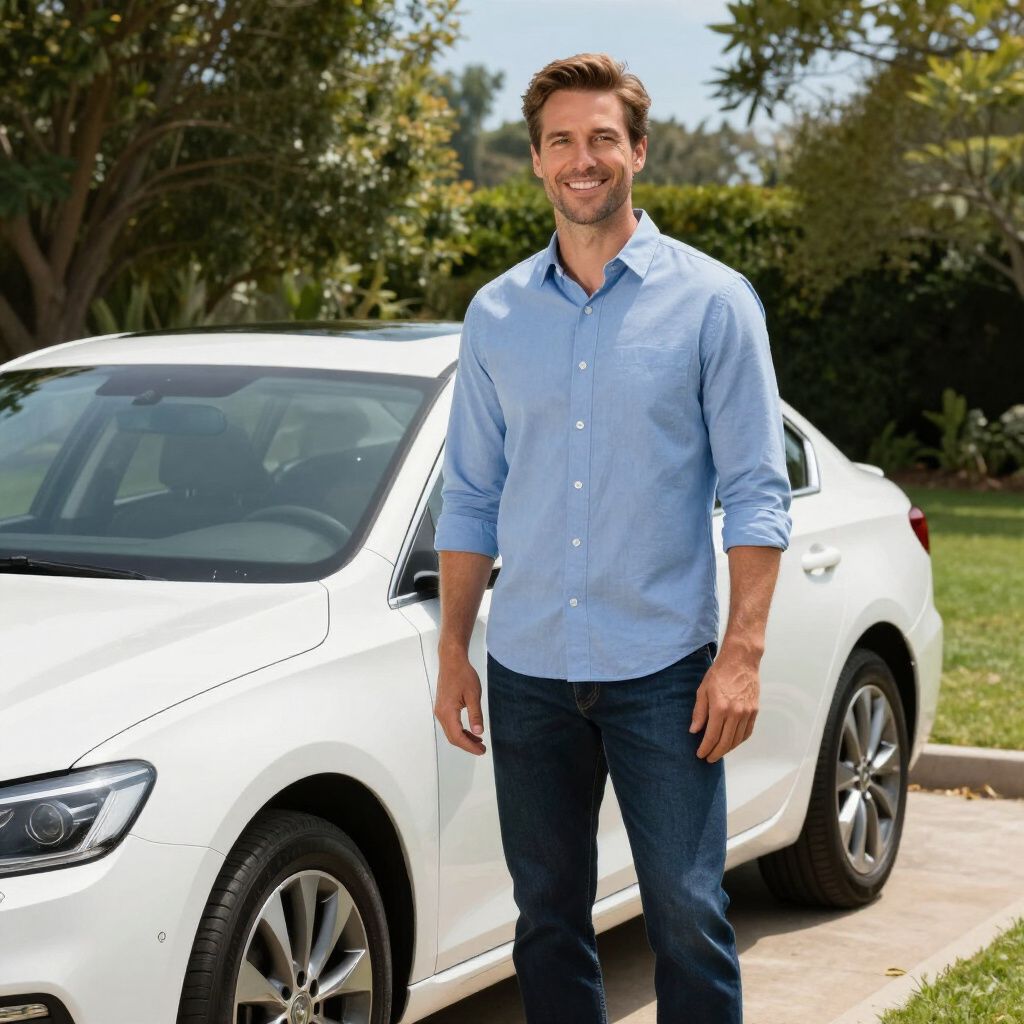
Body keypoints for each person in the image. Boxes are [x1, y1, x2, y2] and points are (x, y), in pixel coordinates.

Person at [432, 52, 792, 1024]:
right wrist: (453, 651)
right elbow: (469, 495)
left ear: (636, 150)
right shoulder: (496, 315)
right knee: (546, 916)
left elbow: (757, 495)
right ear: (537, 161)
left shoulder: (714, 303)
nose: (580, 158)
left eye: (601, 138)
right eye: (560, 141)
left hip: (664, 672)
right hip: (529, 669)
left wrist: (741, 655)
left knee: (685, 911)